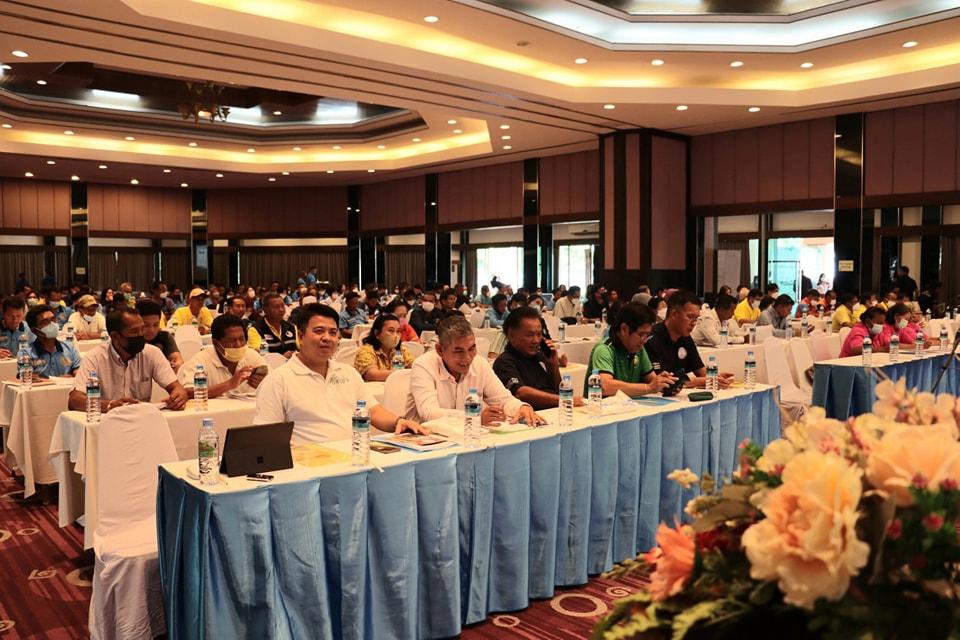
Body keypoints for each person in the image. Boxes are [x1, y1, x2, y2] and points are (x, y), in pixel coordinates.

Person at [254, 303, 426, 443]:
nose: (327, 338)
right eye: (319, 331)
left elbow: (373, 411)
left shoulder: (347, 373)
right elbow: (267, 437)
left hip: (353, 458)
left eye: (333, 332)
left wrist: (399, 422)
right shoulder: (278, 380)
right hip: (309, 464)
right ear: (300, 336)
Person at [409, 315, 544, 425]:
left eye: (471, 349)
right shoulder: (423, 365)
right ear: (440, 350)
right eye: (458, 351)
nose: (467, 358)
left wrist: (521, 407)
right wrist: (474, 417)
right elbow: (429, 413)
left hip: (467, 437)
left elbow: (503, 399)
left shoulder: (479, 363)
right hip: (424, 439)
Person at [68, 308, 188, 412]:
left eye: (142, 329)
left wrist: (179, 396)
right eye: (135, 331)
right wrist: (109, 405)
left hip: (143, 420)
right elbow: (74, 400)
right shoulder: (95, 357)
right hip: (107, 422)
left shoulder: (151, 353)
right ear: (115, 336)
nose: (141, 335)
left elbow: (176, 387)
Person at [490, 306, 577, 410]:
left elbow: (558, 391)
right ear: (511, 335)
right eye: (529, 335)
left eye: (539, 334)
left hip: (556, 411)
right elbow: (521, 393)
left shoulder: (540, 356)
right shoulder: (504, 362)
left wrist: (553, 365)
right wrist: (565, 400)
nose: (536, 340)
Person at [645, 291, 734, 389]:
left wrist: (716, 377)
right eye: (690, 317)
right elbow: (662, 381)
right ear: (674, 314)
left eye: (696, 318)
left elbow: (701, 371)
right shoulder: (651, 339)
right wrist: (705, 380)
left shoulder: (686, 338)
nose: (693, 323)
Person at [585, 302, 677, 398]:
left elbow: (652, 379)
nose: (644, 340)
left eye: (647, 335)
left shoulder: (639, 349)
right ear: (624, 329)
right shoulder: (604, 349)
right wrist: (648, 388)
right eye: (641, 334)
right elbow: (605, 386)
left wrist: (665, 383)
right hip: (599, 406)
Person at [179, 314, 267, 399]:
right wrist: (230, 384)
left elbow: (273, 380)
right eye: (232, 340)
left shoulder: (250, 355)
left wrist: (264, 382)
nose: (238, 345)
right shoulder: (201, 360)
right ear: (216, 343)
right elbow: (188, 392)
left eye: (241, 339)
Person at [353, 313, 415, 382]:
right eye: (391, 331)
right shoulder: (366, 350)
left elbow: (415, 368)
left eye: (398, 331)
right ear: (377, 333)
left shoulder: (401, 350)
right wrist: (402, 374)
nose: (396, 335)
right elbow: (372, 374)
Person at [24, 304, 81, 377]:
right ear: (35, 331)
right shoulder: (26, 353)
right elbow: (27, 377)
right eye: (45, 322)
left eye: (53, 319)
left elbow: (79, 371)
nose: (52, 324)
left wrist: (76, 375)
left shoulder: (69, 348)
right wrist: (57, 380)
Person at [136, 299, 184, 372]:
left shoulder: (165, 337)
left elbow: (179, 361)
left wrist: (176, 365)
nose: (151, 330)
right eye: (146, 325)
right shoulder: (132, 340)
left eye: (155, 325)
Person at [256, 292, 298, 356]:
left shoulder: (292, 327)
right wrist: (281, 358)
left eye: (282, 306)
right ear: (265, 310)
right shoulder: (257, 330)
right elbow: (263, 355)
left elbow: (301, 349)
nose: (281, 310)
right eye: (276, 307)